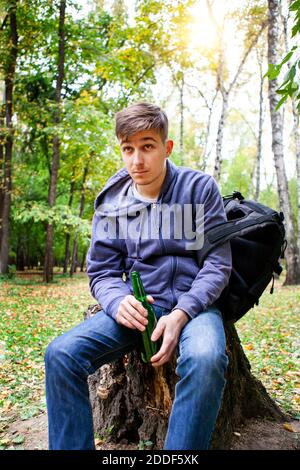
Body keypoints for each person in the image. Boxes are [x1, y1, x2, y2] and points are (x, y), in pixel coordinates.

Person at [44, 102, 232, 450]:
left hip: (194, 308)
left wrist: (182, 312)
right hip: (139, 309)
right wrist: (117, 302)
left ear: (167, 147)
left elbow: (217, 264)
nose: (137, 160)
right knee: (61, 354)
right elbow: (101, 271)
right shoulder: (112, 204)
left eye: (147, 146)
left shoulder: (198, 189)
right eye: (128, 149)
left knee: (206, 359)